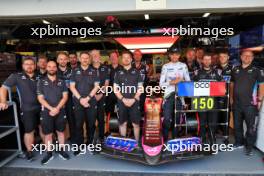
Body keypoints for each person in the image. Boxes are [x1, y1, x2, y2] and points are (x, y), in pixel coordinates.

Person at [0, 58, 41, 161]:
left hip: (42, 107)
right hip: (27, 109)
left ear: (35, 66)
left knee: (43, 129)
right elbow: (3, 88)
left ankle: (47, 149)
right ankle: (29, 151)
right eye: (27, 64)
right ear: (23, 66)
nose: (29, 66)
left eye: (31, 64)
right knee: (29, 130)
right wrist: (3, 101)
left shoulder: (39, 77)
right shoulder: (16, 76)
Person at [230, 50, 264, 156]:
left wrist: (259, 99)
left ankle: (249, 147)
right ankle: (239, 142)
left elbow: (262, 85)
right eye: (245, 55)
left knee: (250, 126)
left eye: (250, 56)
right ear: (241, 57)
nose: (247, 57)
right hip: (237, 103)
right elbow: (231, 84)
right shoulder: (235, 69)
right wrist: (231, 98)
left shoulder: (256, 71)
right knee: (237, 125)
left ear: (253, 58)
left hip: (250, 104)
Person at [37, 61, 70, 165]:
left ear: (56, 68)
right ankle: (49, 153)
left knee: (61, 132)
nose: (51, 68)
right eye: (49, 66)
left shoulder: (62, 81)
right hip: (46, 112)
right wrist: (51, 109)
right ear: (46, 68)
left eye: (53, 67)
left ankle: (61, 150)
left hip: (60, 111)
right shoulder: (41, 81)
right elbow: (40, 98)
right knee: (48, 134)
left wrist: (57, 108)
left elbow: (65, 96)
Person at [69, 51, 100, 156]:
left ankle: (91, 144)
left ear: (89, 59)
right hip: (78, 102)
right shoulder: (74, 71)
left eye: (87, 58)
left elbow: (96, 86)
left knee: (91, 124)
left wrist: (87, 98)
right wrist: (81, 99)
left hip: (91, 101)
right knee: (78, 125)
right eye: (83, 58)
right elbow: (72, 87)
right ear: (79, 59)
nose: (85, 60)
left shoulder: (94, 71)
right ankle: (79, 146)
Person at [159, 48, 190, 142]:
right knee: (167, 119)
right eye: (172, 54)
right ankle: (164, 139)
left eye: (176, 54)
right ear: (169, 55)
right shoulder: (165, 66)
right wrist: (172, 82)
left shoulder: (183, 66)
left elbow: (189, 82)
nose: (174, 56)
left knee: (177, 119)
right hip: (168, 96)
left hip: (180, 96)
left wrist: (181, 81)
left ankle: (175, 139)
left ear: (179, 55)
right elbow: (161, 84)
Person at [114, 51, 143, 142]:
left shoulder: (137, 72)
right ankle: (123, 144)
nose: (126, 59)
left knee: (136, 124)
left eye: (128, 58)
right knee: (123, 123)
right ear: (121, 60)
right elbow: (115, 89)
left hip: (135, 102)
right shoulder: (118, 73)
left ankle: (137, 144)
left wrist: (133, 99)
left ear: (131, 59)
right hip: (122, 102)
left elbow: (140, 88)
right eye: (124, 57)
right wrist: (123, 99)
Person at [193, 53, 223, 144]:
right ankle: (201, 138)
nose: (207, 61)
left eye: (209, 59)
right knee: (202, 122)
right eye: (205, 59)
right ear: (202, 61)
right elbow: (192, 87)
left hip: (213, 100)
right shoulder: (196, 72)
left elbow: (222, 87)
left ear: (211, 60)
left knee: (213, 122)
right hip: (201, 100)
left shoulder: (218, 72)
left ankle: (212, 138)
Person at [90, 49, 110, 143]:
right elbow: (86, 84)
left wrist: (101, 94)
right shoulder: (88, 68)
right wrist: (93, 96)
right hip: (90, 98)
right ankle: (91, 139)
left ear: (99, 56)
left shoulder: (105, 68)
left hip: (102, 97)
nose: (95, 56)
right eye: (93, 55)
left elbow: (106, 83)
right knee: (91, 118)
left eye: (96, 54)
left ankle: (101, 138)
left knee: (101, 118)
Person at [56, 52, 75, 143]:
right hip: (57, 100)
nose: (63, 61)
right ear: (57, 60)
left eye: (64, 59)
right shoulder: (53, 71)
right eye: (61, 59)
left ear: (67, 60)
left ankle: (73, 139)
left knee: (71, 119)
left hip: (70, 99)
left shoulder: (73, 71)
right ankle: (58, 140)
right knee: (58, 121)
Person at [216, 51, 233, 142]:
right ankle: (217, 132)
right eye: (221, 56)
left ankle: (226, 135)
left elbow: (234, 84)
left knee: (226, 115)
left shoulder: (233, 68)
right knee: (217, 114)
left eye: (224, 56)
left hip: (227, 96)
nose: (222, 58)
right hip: (217, 96)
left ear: (228, 57)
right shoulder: (215, 68)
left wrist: (232, 97)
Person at [132, 49, 149, 115]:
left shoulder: (146, 67)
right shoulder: (129, 66)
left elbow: (147, 78)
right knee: (132, 108)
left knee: (141, 109)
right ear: (133, 56)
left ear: (141, 56)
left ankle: (140, 124)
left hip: (142, 92)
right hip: (132, 91)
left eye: (139, 55)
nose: (137, 56)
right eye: (135, 54)